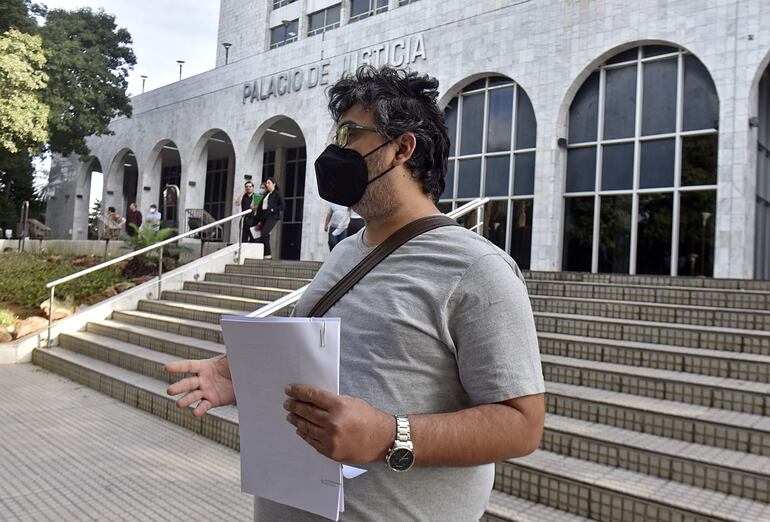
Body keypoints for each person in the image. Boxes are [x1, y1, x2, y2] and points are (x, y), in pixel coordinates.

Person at [164, 65, 544, 521]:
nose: (334, 152)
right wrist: (244, 375)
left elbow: (522, 425)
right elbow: (327, 363)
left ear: (402, 148)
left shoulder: (478, 270)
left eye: (350, 136)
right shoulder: (345, 251)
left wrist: (390, 435)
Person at [257, 177, 283, 259]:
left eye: (269, 183)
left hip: (272, 216)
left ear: (274, 184)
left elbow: (283, 205)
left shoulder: (277, 194)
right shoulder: (266, 194)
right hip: (265, 216)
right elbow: (261, 206)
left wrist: (273, 210)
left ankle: (268, 254)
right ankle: (267, 255)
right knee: (264, 235)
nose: (267, 185)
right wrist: (260, 220)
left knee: (264, 233)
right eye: (266, 183)